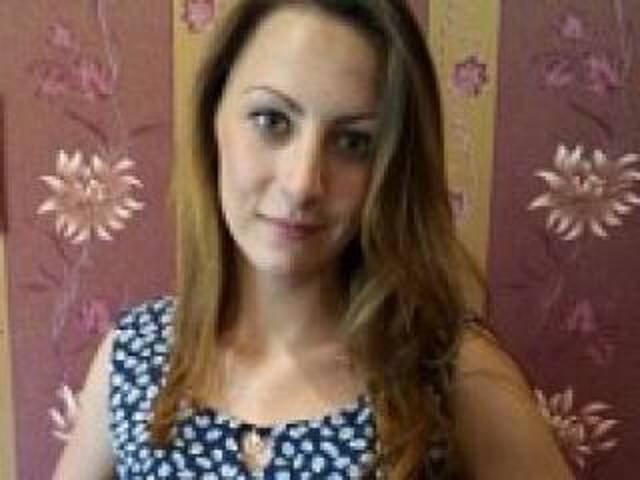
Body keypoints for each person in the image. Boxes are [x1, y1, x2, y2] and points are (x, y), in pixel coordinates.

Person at [54, 0, 574, 478]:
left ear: (391, 166)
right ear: (214, 118)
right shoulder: (136, 358)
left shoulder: (453, 371)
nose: (303, 182)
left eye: (353, 142)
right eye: (271, 121)